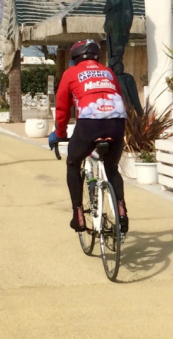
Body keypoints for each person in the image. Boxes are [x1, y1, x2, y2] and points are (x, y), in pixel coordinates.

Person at [49, 40, 129, 234]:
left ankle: (78, 215)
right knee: (112, 168)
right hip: (117, 123)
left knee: (73, 164)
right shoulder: (108, 72)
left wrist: (59, 134)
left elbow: (62, 108)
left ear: (75, 58)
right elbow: (117, 96)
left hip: (89, 124)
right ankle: (121, 210)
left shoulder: (71, 73)